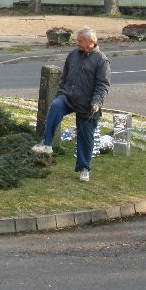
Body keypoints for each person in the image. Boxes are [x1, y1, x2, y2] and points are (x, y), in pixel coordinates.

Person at [33, 27, 111, 182]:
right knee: (56, 106)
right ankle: (47, 143)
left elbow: (102, 85)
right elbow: (64, 77)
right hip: (68, 97)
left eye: (80, 41)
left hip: (88, 105)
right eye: (77, 40)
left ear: (91, 42)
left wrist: (96, 102)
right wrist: (61, 93)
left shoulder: (101, 60)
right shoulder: (73, 55)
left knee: (85, 138)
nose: (77, 43)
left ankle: (84, 168)